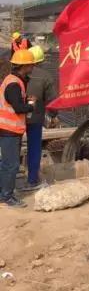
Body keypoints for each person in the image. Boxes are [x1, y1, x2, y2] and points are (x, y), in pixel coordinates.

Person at [0, 49, 37, 207]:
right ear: (24, 66)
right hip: (9, 130)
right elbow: (18, 108)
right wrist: (31, 106)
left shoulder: (14, 80)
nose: (33, 67)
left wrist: (25, 100)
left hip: (8, 128)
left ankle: (3, 192)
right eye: (31, 64)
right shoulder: (14, 84)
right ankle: (7, 196)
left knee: (6, 163)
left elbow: (14, 101)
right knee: (11, 165)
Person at [23, 46, 57, 191]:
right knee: (34, 148)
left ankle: (7, 182)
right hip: (35, 118)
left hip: (15, 118)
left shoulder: (16, 74)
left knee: (12, 149)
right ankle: (32, 180)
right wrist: (53, 115)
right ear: (41, 61)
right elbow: (52, 100)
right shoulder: (46, 76)